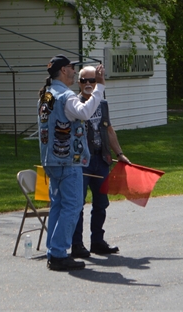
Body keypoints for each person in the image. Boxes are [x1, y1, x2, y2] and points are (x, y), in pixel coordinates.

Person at [37, 55, 106, 271]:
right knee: (73, 205)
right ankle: (58, 253)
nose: (75, 72)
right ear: (63, 70)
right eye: (72, 68)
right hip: (69, 160)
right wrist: (99, 88)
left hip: (50, 159)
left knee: (57, 205)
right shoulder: (66, 96)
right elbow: (85, 112)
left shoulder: (46, 96)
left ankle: (53, 250)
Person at [70, 66, 131, 259]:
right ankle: (77, 244)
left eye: (92, 81)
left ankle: (97, 241)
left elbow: (109, 130)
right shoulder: (73, 103)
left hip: (101, 159)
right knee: (77, 204)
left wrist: (119, 153)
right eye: (84, 81)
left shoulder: (102, 104)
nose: (88, 84)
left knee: (101, 203)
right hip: (81, 162)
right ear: (78, 83)